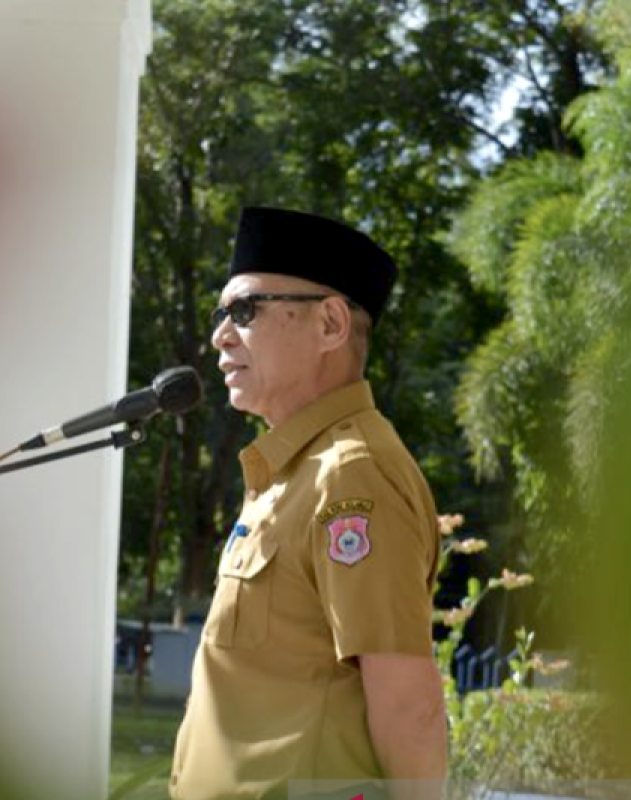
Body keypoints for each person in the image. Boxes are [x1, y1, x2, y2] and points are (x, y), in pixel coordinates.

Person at [169, 207, 448, 800]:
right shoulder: (291, 472)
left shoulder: (352, 476)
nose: (220, 334)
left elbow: (407, 703)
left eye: (244, 311)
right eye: (220, 314)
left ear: (330, 324)